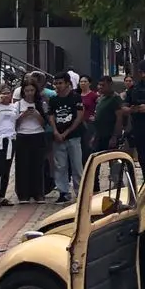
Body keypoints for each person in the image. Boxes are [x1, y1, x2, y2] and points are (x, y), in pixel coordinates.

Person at [48, 74, 85, 203]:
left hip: (73, 136)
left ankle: (80, 192)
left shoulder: (76, 97)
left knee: (77, 165)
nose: (58, 86)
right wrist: (56, 131)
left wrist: (67, 132)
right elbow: (51, 116)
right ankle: (63, 192)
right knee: (60, 166)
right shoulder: (54, 99)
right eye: (56, 83)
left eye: (60, 83)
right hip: (58, 137)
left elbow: (79, 116)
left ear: (67, 83)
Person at [12, 79, 49, 204]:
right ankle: (23, 194)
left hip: (37, 135)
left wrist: (37, 114)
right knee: (22, 165)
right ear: (23, 91)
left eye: (32, 90)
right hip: (22, 135)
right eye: (27, 90)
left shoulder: (41, 104)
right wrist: (23, 115)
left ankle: (38, 193)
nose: (29, 93)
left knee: (38, 165)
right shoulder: (18, 105)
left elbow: (44, 123)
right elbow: (14, 124)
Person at [78, 75, 98, 159]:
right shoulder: (77, 95)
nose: (83, 83)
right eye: (81, 81)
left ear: (89, 83)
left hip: (89, 123)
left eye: (85, 81)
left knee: (88, 145)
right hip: (78, 123)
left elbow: (99, 107)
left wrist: (95, 116)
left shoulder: (93, 95)